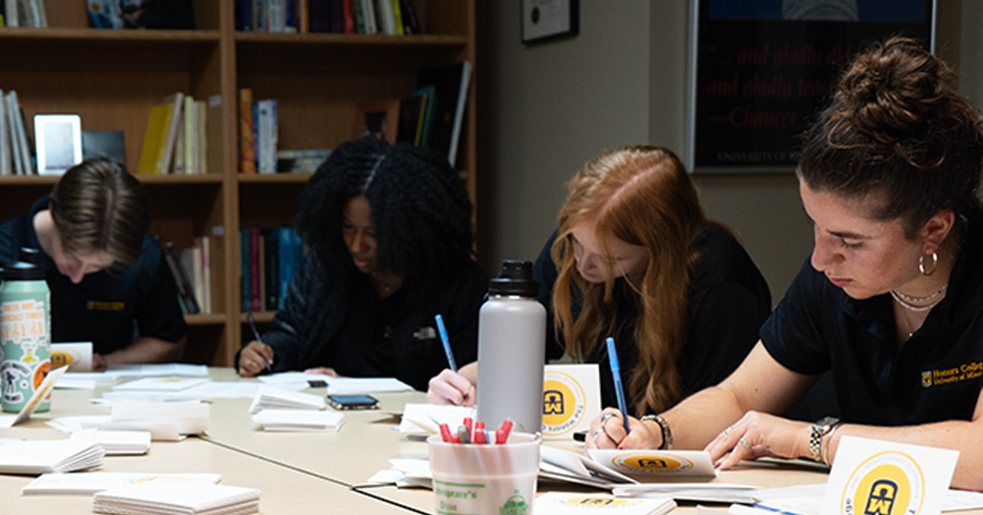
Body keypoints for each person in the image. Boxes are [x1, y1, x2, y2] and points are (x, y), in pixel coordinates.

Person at [590, 37, 983, 490]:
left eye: (849, 241)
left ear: (934, 229)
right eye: (815, 225)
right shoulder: (833, 279)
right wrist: (657, 432)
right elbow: (738, 397)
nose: (820, 259)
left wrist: (812, 439)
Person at [428, 146, 771, 416]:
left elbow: (723, 413)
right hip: (609, 450)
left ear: (660, 247)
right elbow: (523, 350)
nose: (583, 265)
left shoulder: (720, 280)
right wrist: (468, 381)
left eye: (610, 259)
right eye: (576, 242)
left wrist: (648, 436)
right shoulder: (575, 249)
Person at [236, 136, 485, 391]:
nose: (356, 245)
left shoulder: (457, 285)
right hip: (336, 420)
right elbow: (291, 333)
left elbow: (470, 379)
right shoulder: (326, 266)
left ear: (410, 230)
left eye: (373, 233)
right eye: (348, 227)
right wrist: (265, 354)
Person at [0, 156, 187, 371]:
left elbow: (168, 341)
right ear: (53, 212)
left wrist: (108, 362)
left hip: (108, 399)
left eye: (97, 268)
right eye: (71, 256)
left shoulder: (144, 254)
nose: (77, 276)